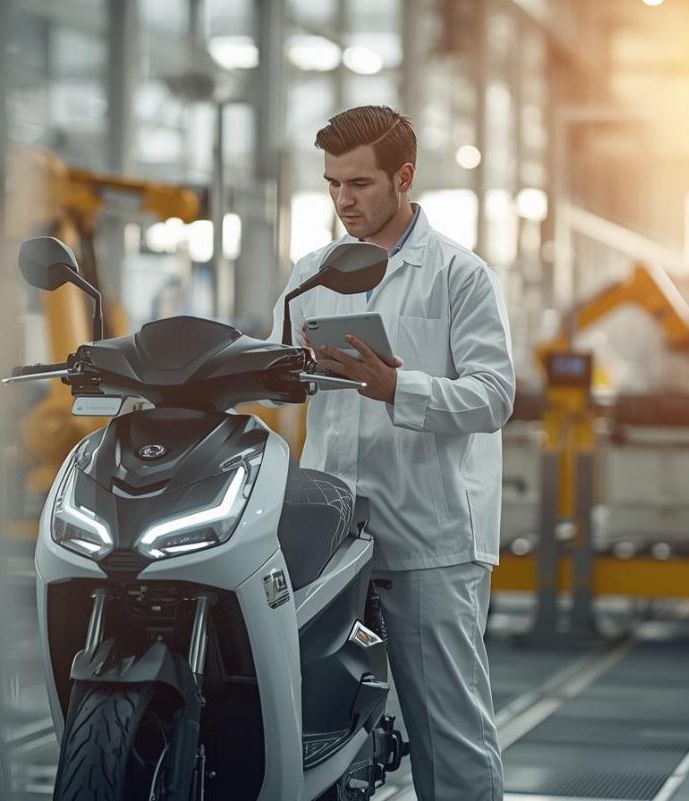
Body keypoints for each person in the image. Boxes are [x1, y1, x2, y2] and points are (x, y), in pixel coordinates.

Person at [268, 105, 514, 801]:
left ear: (402, 178)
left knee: (448, 729)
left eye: (359, 184)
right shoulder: (309, 272)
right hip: (327, 533)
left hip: (428, 535)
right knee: (321, 725)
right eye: (332, 184)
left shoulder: (458, 276)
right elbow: (282, 378)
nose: (343, 200)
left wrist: (394, 386)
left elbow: (494, 397)